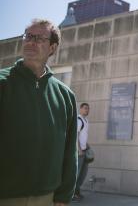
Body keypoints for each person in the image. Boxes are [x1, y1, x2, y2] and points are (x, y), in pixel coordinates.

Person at [0, 19, 78, 206]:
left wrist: (64, 194)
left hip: (47, 198)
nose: (30, 42)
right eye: (28, 36)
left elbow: (70, 149)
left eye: (39, 38)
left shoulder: (65, 95)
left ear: (52, 47)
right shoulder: (3, 82)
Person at [72, 103, 91, 202]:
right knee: (77, 174)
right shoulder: (79, 120)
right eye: (85, 108)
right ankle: (72, 194)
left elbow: (83, 136)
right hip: (79, 152)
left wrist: (87, 145)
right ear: (80, 109)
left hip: (84, 151)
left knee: (82, 174)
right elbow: (76, 135)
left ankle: (77, 191)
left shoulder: (86, 121)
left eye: (88, 109)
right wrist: (79, 149)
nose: (87, 110)